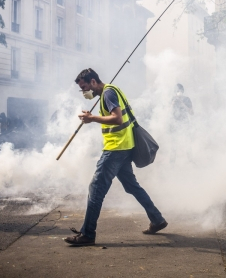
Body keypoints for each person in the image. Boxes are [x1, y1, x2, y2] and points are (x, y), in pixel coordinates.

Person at [64, 68, 167, 246]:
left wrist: (92, 118)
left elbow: (117, 118)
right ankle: (157, 219)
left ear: (94, 82)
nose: (84, 92)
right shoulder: (112, 90)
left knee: (96, 189)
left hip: (116, 149)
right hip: (124, 146)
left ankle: (87, 234)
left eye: (84, 87)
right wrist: (92, 117)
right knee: (132, 186)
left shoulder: (108, 93)